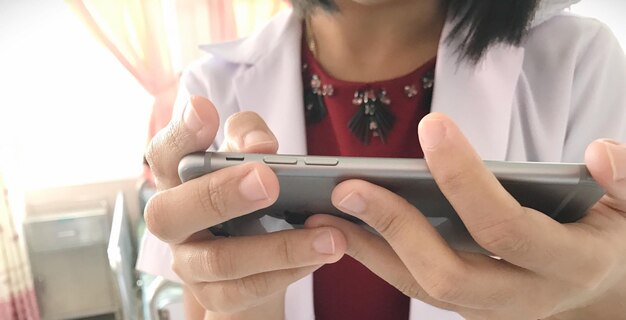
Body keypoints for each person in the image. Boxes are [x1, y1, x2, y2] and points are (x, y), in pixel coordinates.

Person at [137, 0, 626, 319]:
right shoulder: (211, 84)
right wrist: (252, 305)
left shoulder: (579, 59)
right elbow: (202, 302)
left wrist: (597, 294)